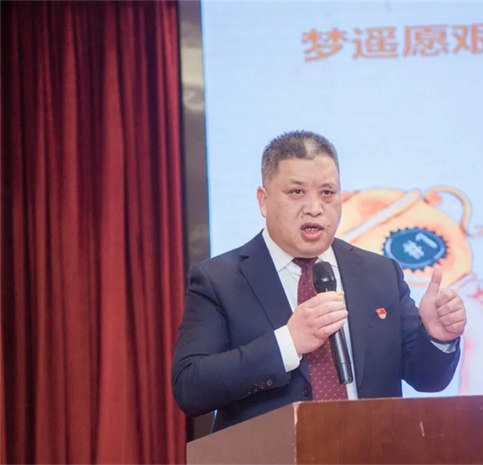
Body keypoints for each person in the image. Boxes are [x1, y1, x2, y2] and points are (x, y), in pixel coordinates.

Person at [172, 130, 467, 431]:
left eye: (327, 193)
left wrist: (438, 338)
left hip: (372, 448)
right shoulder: (220, 280)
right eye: (297, 192)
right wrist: (288, 342)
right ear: (264, 201)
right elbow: (191, 388)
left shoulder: (380, 273)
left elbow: (428, 379)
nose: (314, 208)